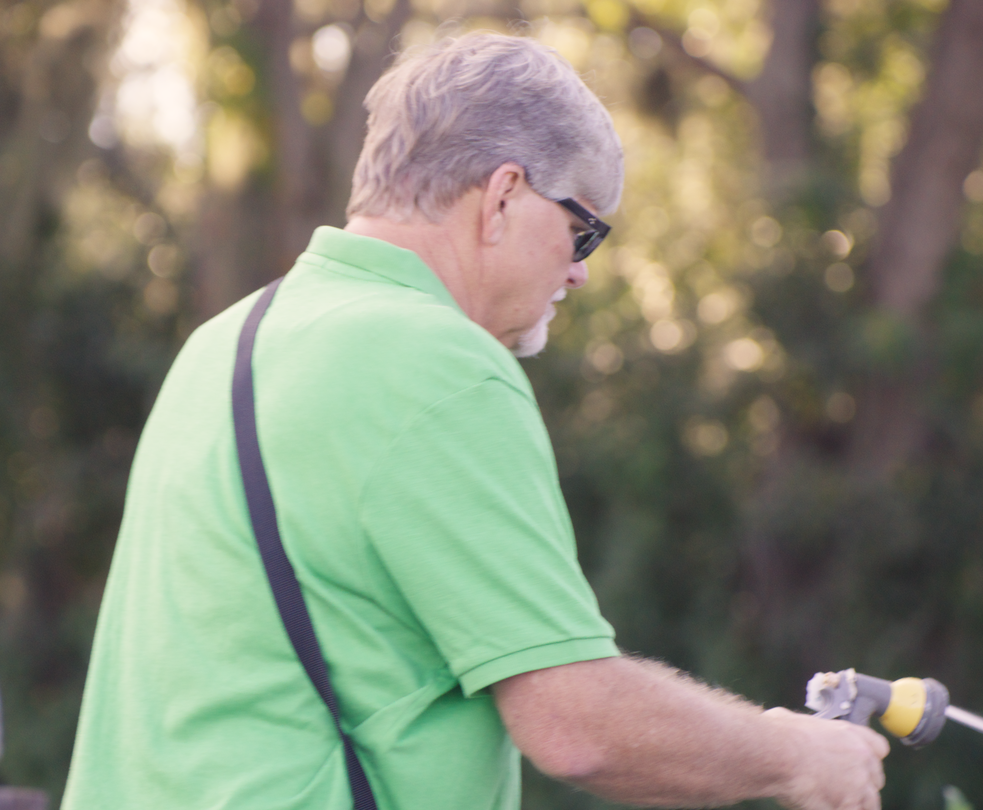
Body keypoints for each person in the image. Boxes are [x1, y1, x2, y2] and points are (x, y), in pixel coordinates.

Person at [60, 31, 888, 810]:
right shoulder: (438, 365)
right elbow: (576, 725)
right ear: (502, 195)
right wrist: (795, 755)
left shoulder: (224, 345)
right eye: (583, 230)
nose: (579, 273)